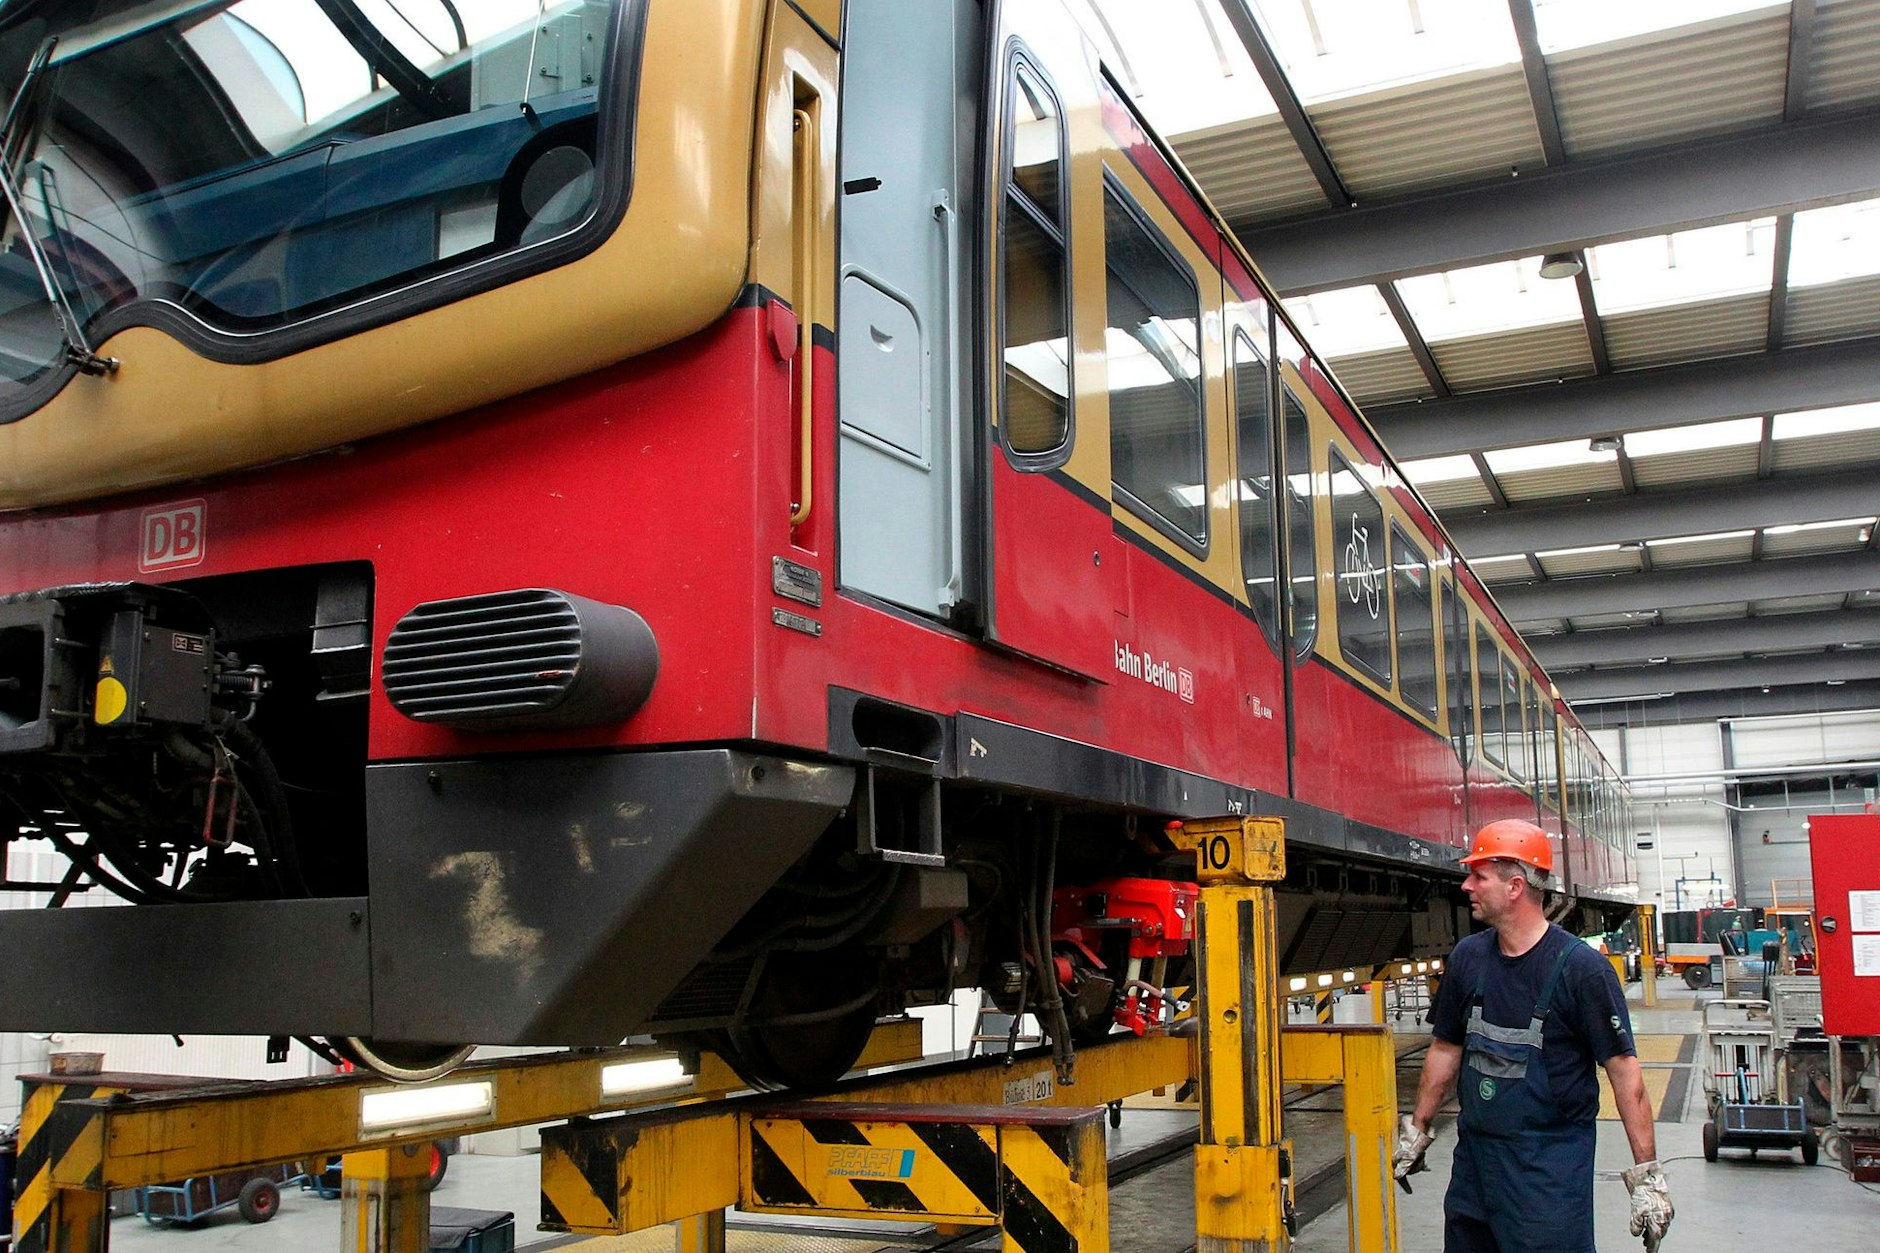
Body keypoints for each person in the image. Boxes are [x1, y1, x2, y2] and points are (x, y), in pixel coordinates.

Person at [1392, 819, 1674, 1252]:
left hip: (1548, 1173)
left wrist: (1647, 1176)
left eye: (1478, 876)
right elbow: (1446, 1049)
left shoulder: (1583, 970)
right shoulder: (1469, 958)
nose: (1466, 885)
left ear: (1515, 886)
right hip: (1475, 1167)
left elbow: (1625, 1076)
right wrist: (1418, 1127)